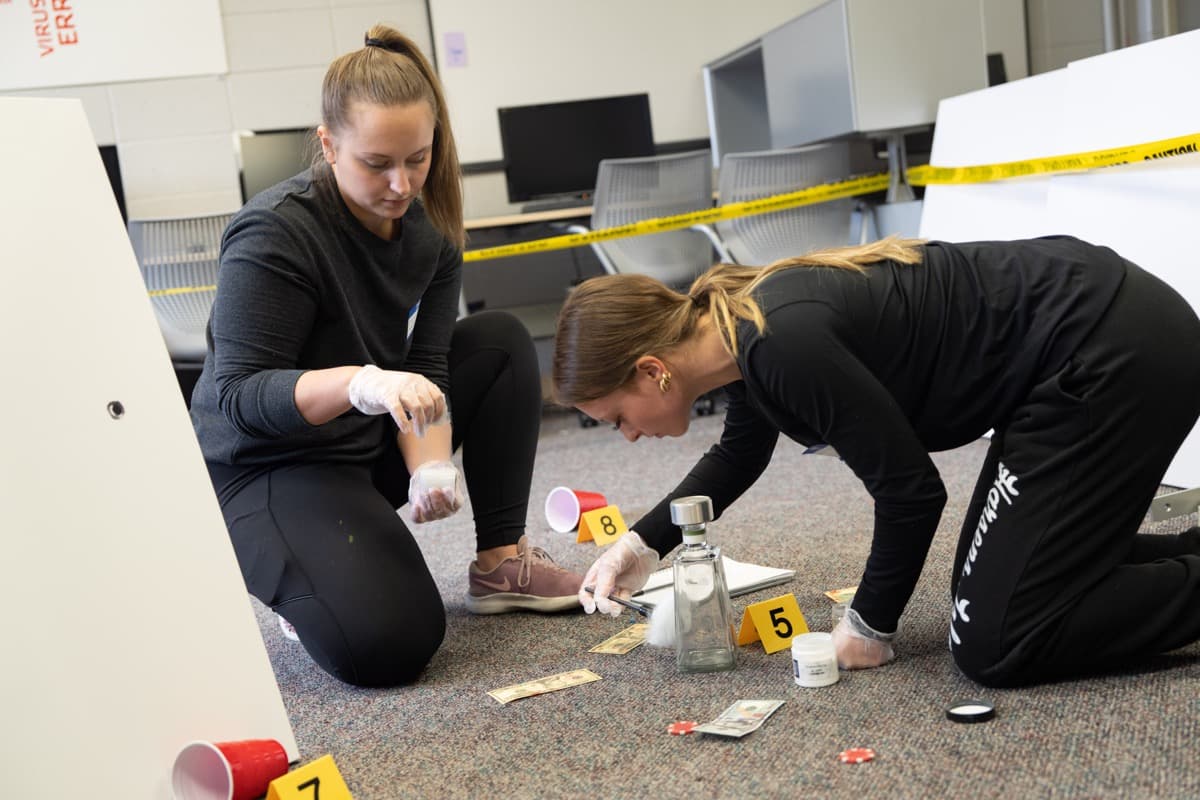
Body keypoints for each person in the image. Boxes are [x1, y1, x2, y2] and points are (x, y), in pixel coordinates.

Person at [554, 235, 1200, 687]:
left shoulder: (781, 343)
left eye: (616, 418)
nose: (628, 438)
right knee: (981, 594)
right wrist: (639, 546)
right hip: (1077, 355)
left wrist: (869, 625)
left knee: (995, 641)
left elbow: (912, 492)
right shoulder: (738, 330)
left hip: (1112, 355)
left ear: (652, 371)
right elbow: (736, 458)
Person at [190, 26, 582, 688]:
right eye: (377, 164)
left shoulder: (430, 227)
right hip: (265, 466)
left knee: (500, 343)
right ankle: (297, 576)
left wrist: (428, 468)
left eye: (418, 159)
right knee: (390, 645)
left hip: (356, 445)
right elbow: (234, 399)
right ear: (328, 144)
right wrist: (359, 382)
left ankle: (499, 564)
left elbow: (430, 370)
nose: (401, 185)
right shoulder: (277, 233)